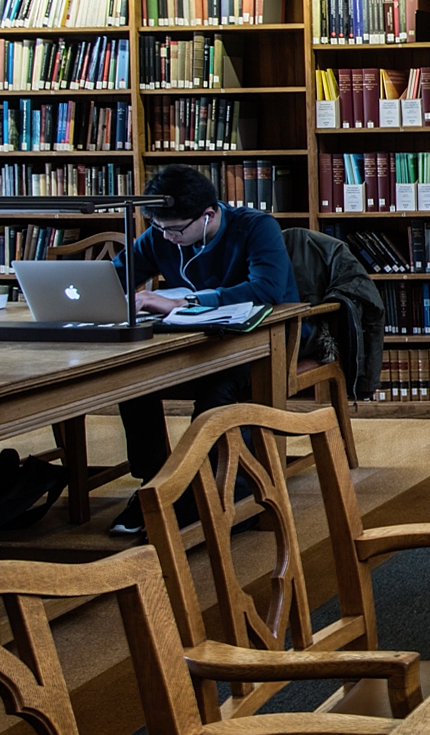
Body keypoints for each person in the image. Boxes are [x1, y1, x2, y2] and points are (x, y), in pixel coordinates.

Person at [108, 165, 298, 535]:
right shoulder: (162, 234)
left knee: (218, 389)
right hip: (197, 341)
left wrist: (185, 301)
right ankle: (156, 485)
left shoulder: (255, 226)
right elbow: (118, 275)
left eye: (177, 229)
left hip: (260, 338)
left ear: (208, 214)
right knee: (131, 383)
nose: (167, 237)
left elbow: (268, 289)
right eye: (160, 228)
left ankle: (213, 490)